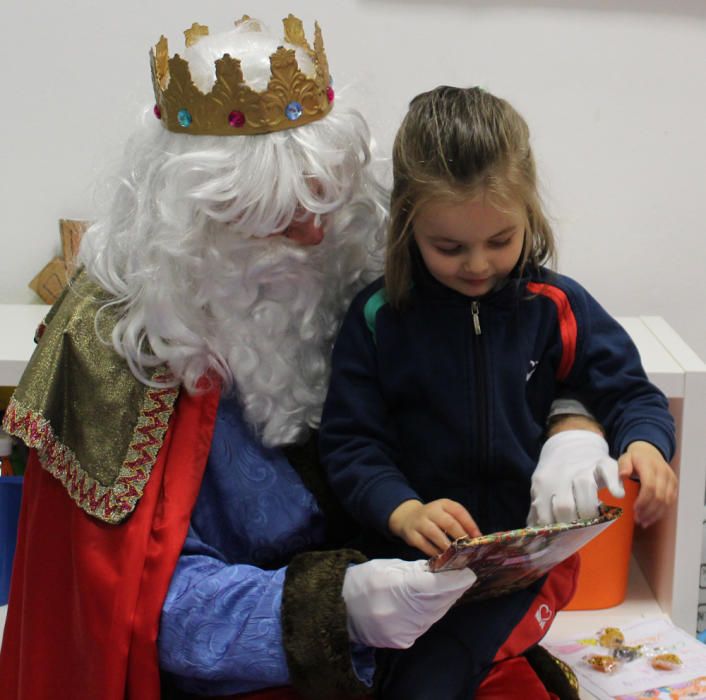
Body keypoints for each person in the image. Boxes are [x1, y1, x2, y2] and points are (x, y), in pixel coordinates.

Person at [0, 18, 624, 700]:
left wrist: (574, 425)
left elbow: (530, 342)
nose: (315, 231)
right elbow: (132, 608)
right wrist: (335, 609)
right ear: (192, 222)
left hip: (439, 621)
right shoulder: (114, 344)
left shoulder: (372, 252)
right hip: (244, 677)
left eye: (326, 196)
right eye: (276, 213)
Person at [319, 85, 678, 698]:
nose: (478, 265)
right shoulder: (380, 316)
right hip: (416, 562)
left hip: (525, 564)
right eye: (449, 247)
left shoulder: (557, 305)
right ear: (407, 222)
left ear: (529, 215)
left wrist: (646, 443)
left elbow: (630, 392)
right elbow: (351, 443)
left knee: (433, 681)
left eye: (500, 241)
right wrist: (402, 509)